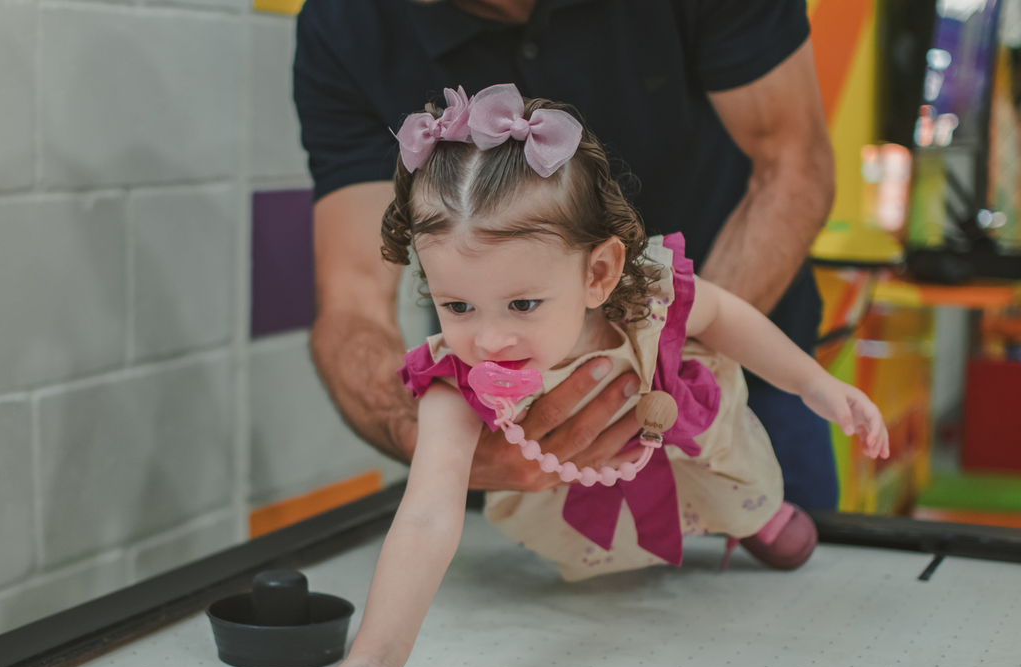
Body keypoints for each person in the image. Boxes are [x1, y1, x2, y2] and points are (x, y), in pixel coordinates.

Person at [307, 86, 887, 667]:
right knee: (608, 585)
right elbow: (424, 520)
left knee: (737, 480)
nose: (490, 338)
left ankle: (757, 517)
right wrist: (376, 657)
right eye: (457, 305)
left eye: (523, 304)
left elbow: (726, 317)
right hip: (570, 482)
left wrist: (814, 385)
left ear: (599, 274)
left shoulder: (643, 297)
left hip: (687, 434)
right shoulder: (455, 384)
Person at [295, 0, 838, 508]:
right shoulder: (346, 23)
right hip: (521, 439)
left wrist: (667, 364)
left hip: (741, 384)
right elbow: (353, 296)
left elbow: (793, 164)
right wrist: (436, 442)